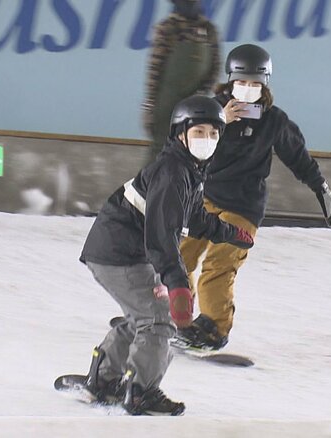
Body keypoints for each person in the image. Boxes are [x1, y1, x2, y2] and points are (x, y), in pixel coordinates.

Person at [78, 95, 254, 416]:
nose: (206, 140)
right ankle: (141, 392)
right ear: (180, 134)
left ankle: (103, 379)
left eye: (213, 133)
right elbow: (162, 235)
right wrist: (177, 283)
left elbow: (195, 217)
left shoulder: (189, 169)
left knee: (144, 316)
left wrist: (230, 233)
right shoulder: (173, 173)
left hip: (121, 249)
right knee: (158, 321)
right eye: (198, 132)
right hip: (118, 252)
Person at [177, 44, 331, 351]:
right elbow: (185, 149)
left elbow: (298, 156)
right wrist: (220, 122)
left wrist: (320, 187)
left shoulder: (274, 121)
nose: (248, 89)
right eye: (241, 82)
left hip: (243, 207)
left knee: (219, 264)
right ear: (230, 81)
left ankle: (213, 329)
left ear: (265, 84)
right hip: (205, 199)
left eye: (255, 83)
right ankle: (172, 316)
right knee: (178, 257)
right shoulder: (210, 111)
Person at [142, 0, 220, 163]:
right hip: (167, 105)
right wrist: (149, 106)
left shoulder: (209, 30)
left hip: (197, 106)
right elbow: (155, 69)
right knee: (160, 151)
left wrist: (203, 93)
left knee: (191, 154)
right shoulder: (168, 28)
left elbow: (215, 67)